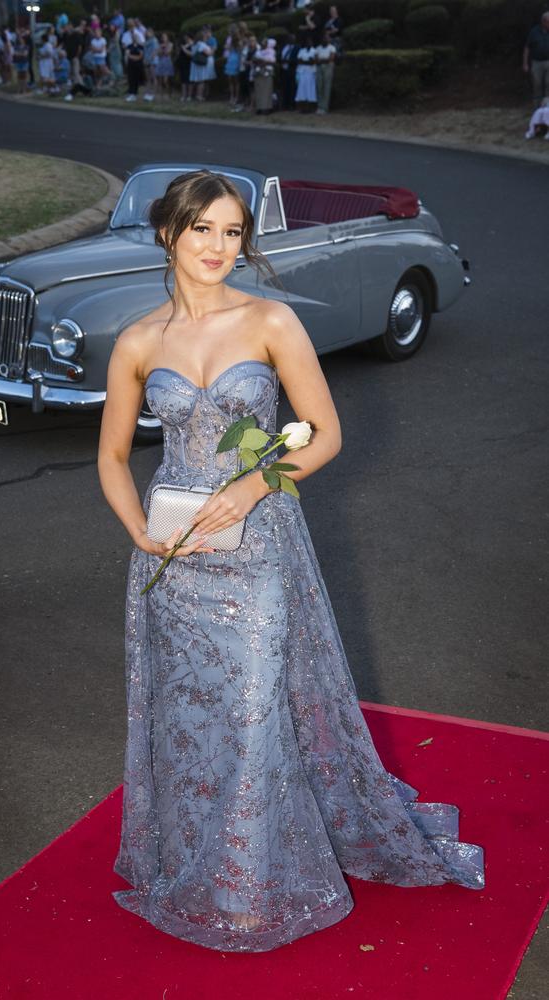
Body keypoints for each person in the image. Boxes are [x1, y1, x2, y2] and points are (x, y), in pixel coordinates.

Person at [97, 169, 486, 951]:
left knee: (252, 709)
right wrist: (139, 530)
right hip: (175, 556)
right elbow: (109, 456)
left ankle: (245, 884)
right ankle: (191, 855)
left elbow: (325, 432)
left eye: (232, 232)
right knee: (189, 718)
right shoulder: (140, 340)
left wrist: (251, 486)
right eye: (202, 229)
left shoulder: (271, 321)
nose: (217, 246)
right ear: (169, 234)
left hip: (260, 546)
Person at [523, 10, 549, 108]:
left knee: (548, 83)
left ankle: (547, 108)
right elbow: (527, 48)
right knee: (537, 84)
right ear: (544, 22)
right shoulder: (534, 32)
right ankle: (537, 108)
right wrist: (525, 63)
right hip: (537, 63)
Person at [314, 29, 336, 114]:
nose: (325, 40)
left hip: (328, 68)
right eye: (324, 38)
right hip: (319, 68)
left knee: (327, 87)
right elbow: (316, 60)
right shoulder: (318, 48)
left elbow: (331, 59)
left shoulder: (332, 48)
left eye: (327, 38)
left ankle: (325, 107)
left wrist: (322, 60)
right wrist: (324, 60)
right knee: (319, 87)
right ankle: (319, 106)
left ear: (329, 39)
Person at [294, 32, 318, 112]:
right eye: (307, 42)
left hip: (311, 73)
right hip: (302, 72)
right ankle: (302, 107)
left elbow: (313, 62)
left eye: (310, 42)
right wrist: (308, 61)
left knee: (310, 89)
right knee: (301, 89)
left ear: (312, 43)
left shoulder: (314, 51)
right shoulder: (302, 50)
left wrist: (306, 61)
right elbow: (299, 61)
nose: (308, 43)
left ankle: (310, 107)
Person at [253, 36, 276, 114]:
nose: (263, 44)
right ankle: (259, 107)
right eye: (262, 42)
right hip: (259, 72)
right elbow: (254, 60)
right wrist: (259, 61)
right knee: (259, 91)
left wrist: (263, 62)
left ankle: (267, 108)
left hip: (267, 72)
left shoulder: (271, 51)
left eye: (265, 42)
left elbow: (272, 62)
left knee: (267, 91)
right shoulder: (258, 51)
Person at [155, 32, 174, 100]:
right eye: (162, 37)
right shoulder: (159, 45)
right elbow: (158, 54)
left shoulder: (170, 44)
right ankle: (161, 94)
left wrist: (163, 48)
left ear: (167, 37)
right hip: (161, 62)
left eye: (164, 36)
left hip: (167, 63)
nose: (163, 38)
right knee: (160, 79)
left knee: (166, 80)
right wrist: (161, 48)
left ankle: (168, 93)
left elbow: (167, 52)